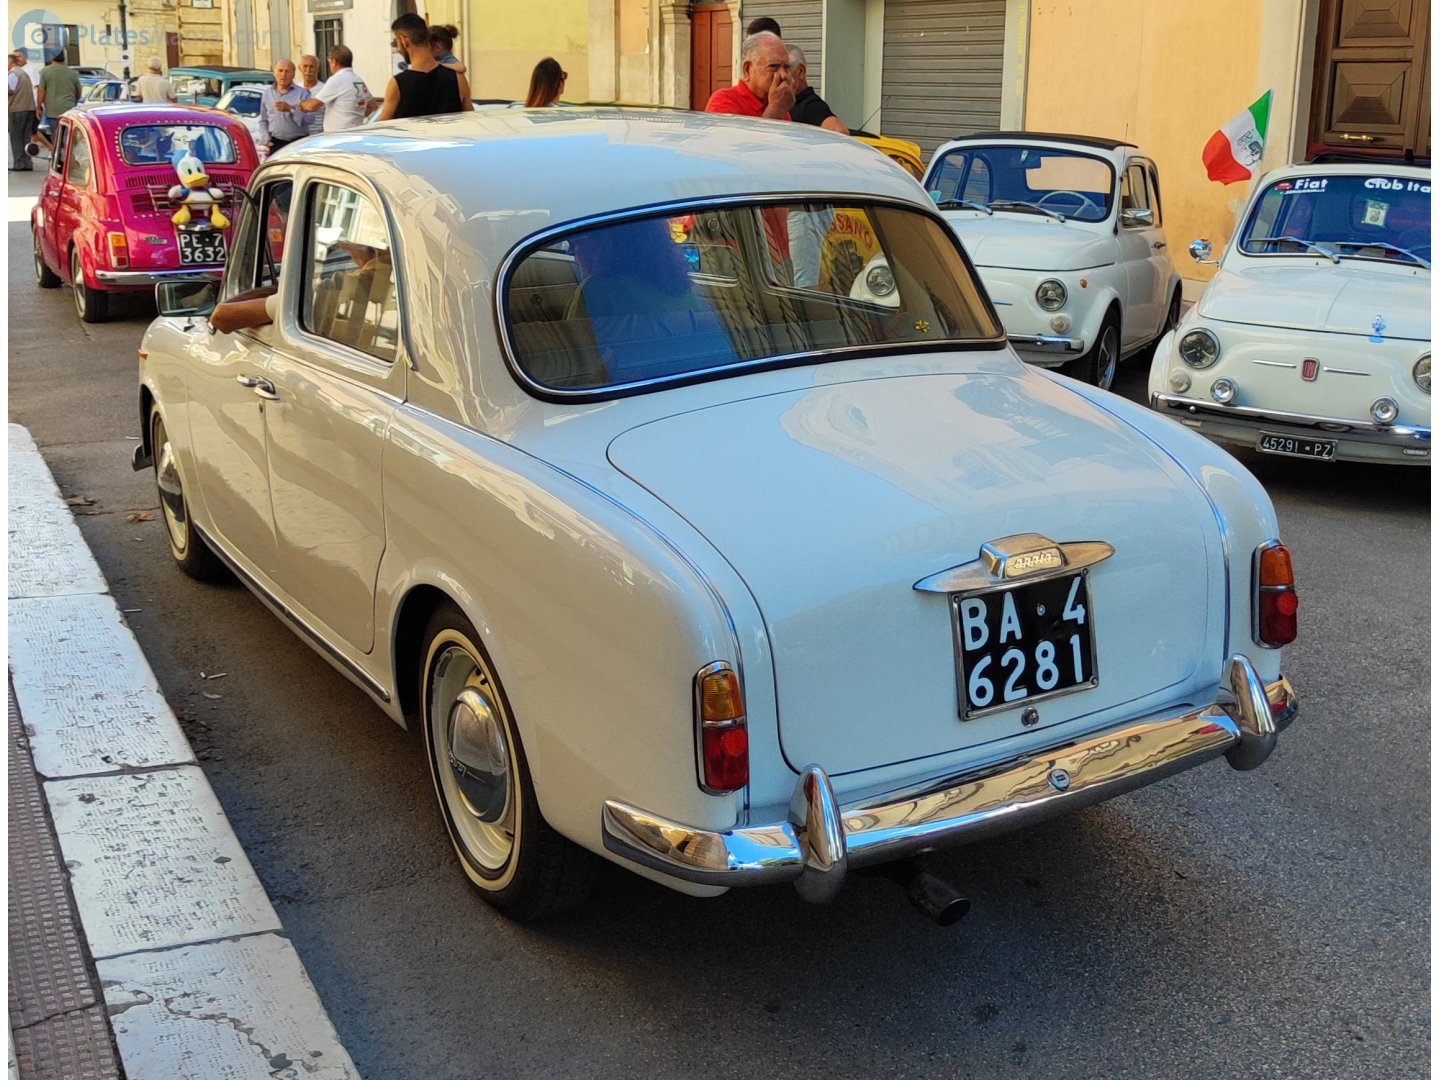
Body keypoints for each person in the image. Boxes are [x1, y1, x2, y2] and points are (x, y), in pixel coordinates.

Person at [378, 14, 471, 121]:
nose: (397, 49)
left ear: (404, 41)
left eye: (396, 42)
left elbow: (382, 127)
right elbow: (471, 121)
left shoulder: (397, 84)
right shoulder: (458, 79)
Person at [703, 32, 793, 120]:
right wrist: (775, 110)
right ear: (747, 69)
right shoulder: (724, 101)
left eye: (786, 67)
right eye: (773, 66)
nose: (783, 75)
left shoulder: (778, 102)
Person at [298, 46, 375, 132]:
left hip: (338, 135)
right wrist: (355, 116)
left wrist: (299, 103)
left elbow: (311, 106)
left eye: (329, 61)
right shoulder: (358, 80)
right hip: (356, 132)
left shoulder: (336, 80)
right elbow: (372, 106)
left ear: (334, 61)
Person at [786, 45, 847, 134]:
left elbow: (839, 132)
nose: (780, 74)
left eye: (785, 68)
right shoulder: (783, 103)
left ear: (800, 72)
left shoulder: (811, 106)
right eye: (774, 68)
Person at [258, 59, 312, 154]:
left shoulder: (303, 94)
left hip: (298, 143)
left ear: (293, 74)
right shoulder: (267, 94)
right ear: (274, 73)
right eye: (280, 71)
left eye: (287, 71)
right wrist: (265, 139)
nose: (283, 75)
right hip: (276, 143)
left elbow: (310, 119)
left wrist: (291, 109)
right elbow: (263, 120)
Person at [35, 48, 81, 148]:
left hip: (52, 110)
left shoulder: (45, 71)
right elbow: (78, 91)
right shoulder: (72, 73)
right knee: (68, 136)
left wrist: (38, 107)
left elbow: (41, 91)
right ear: (64, 58)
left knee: (56, 136)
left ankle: (58, 155)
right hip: (69, 108)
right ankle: (68, 155)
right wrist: (75, 101)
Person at [9, 54, 36, 170]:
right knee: (26, 137)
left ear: (10, 63)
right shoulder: (24, 73)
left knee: (16, 137)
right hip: (29, 108)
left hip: (17, 108)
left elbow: (10, 90)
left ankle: (19, 164)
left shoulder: (13, 74)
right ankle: (27, 163)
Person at [296, 54, 326, 135]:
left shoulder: (325, 89)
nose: (308, 70)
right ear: (299, 68)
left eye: (311, 67)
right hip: (298, 137)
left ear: (318, 69)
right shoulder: (294, 89)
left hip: (319, 136)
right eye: (305, 66)